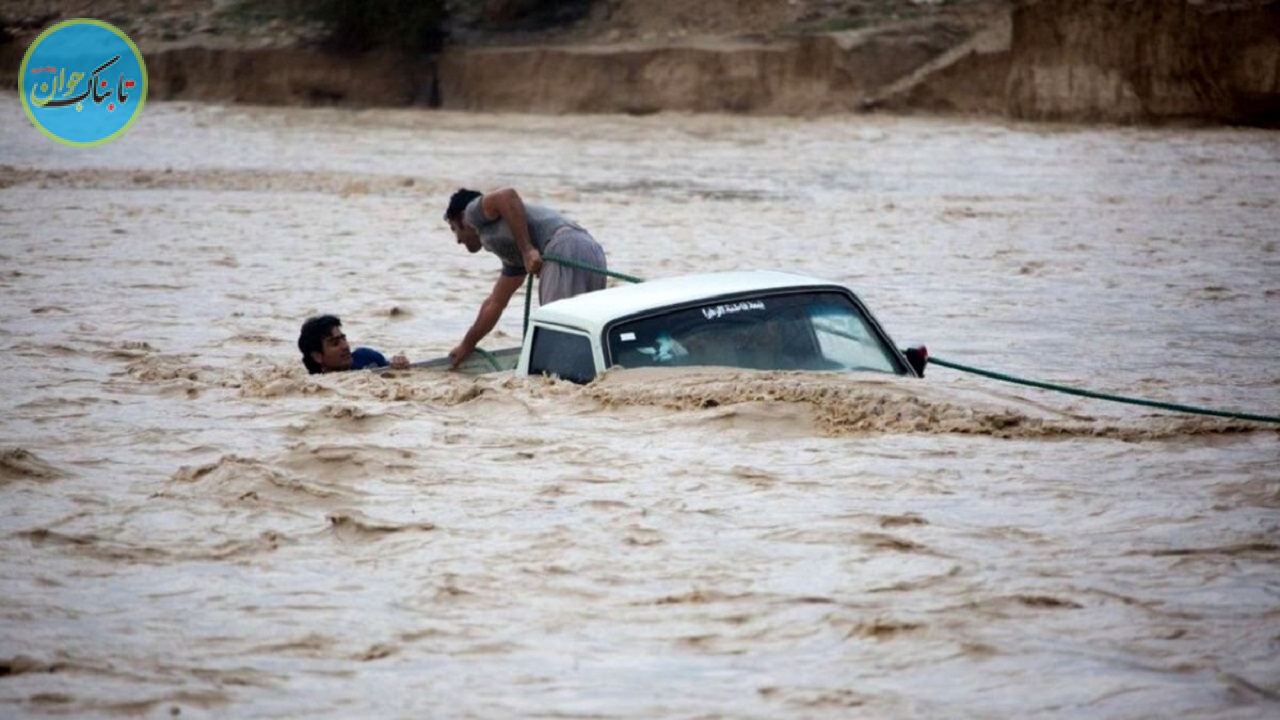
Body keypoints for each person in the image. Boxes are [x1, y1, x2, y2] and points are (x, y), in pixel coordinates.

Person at [443, 187, 607, 368]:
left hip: (564, 246)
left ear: (463, 219)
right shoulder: (512, 256)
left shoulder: (472, 213)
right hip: (591, 252)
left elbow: (506, 195)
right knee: (583, 331)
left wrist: (527, 249)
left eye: (454, 229)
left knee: (557, 331)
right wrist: (467, 345)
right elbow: (495, 303)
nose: (458, 240)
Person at [297, 314, 409, 374]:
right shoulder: (315, 387)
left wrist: (398, 364)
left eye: (343, 339)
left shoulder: (367, 357)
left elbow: (389, 366)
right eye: (335, 343)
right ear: (317, 356)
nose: (345, 346)